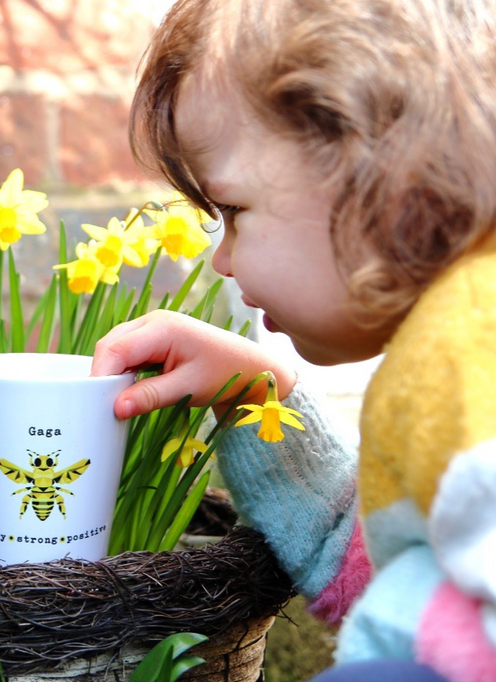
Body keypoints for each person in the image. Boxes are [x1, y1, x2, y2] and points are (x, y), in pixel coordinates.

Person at [89, 1, 496, 680]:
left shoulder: (469, 342)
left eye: (236, 211)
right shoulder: (448, 344)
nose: (223, 258)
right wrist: (259, 396)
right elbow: (381, 577)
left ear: (381, 174)